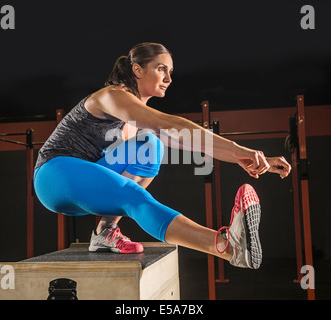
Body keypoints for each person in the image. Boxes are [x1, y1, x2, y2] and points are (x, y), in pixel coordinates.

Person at [33, 42, 291, 269]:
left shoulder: (135, 124)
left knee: (150, 145)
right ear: (137, 69)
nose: (168, 77)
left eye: (170, 72)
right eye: (161, 69)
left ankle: (105, 230)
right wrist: (240, 149)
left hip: (86, 180)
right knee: (136, 195)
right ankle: (228, 247)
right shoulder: (111, 97)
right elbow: (167, 122)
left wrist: (255, 160)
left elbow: (194, 141)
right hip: (54, 176)